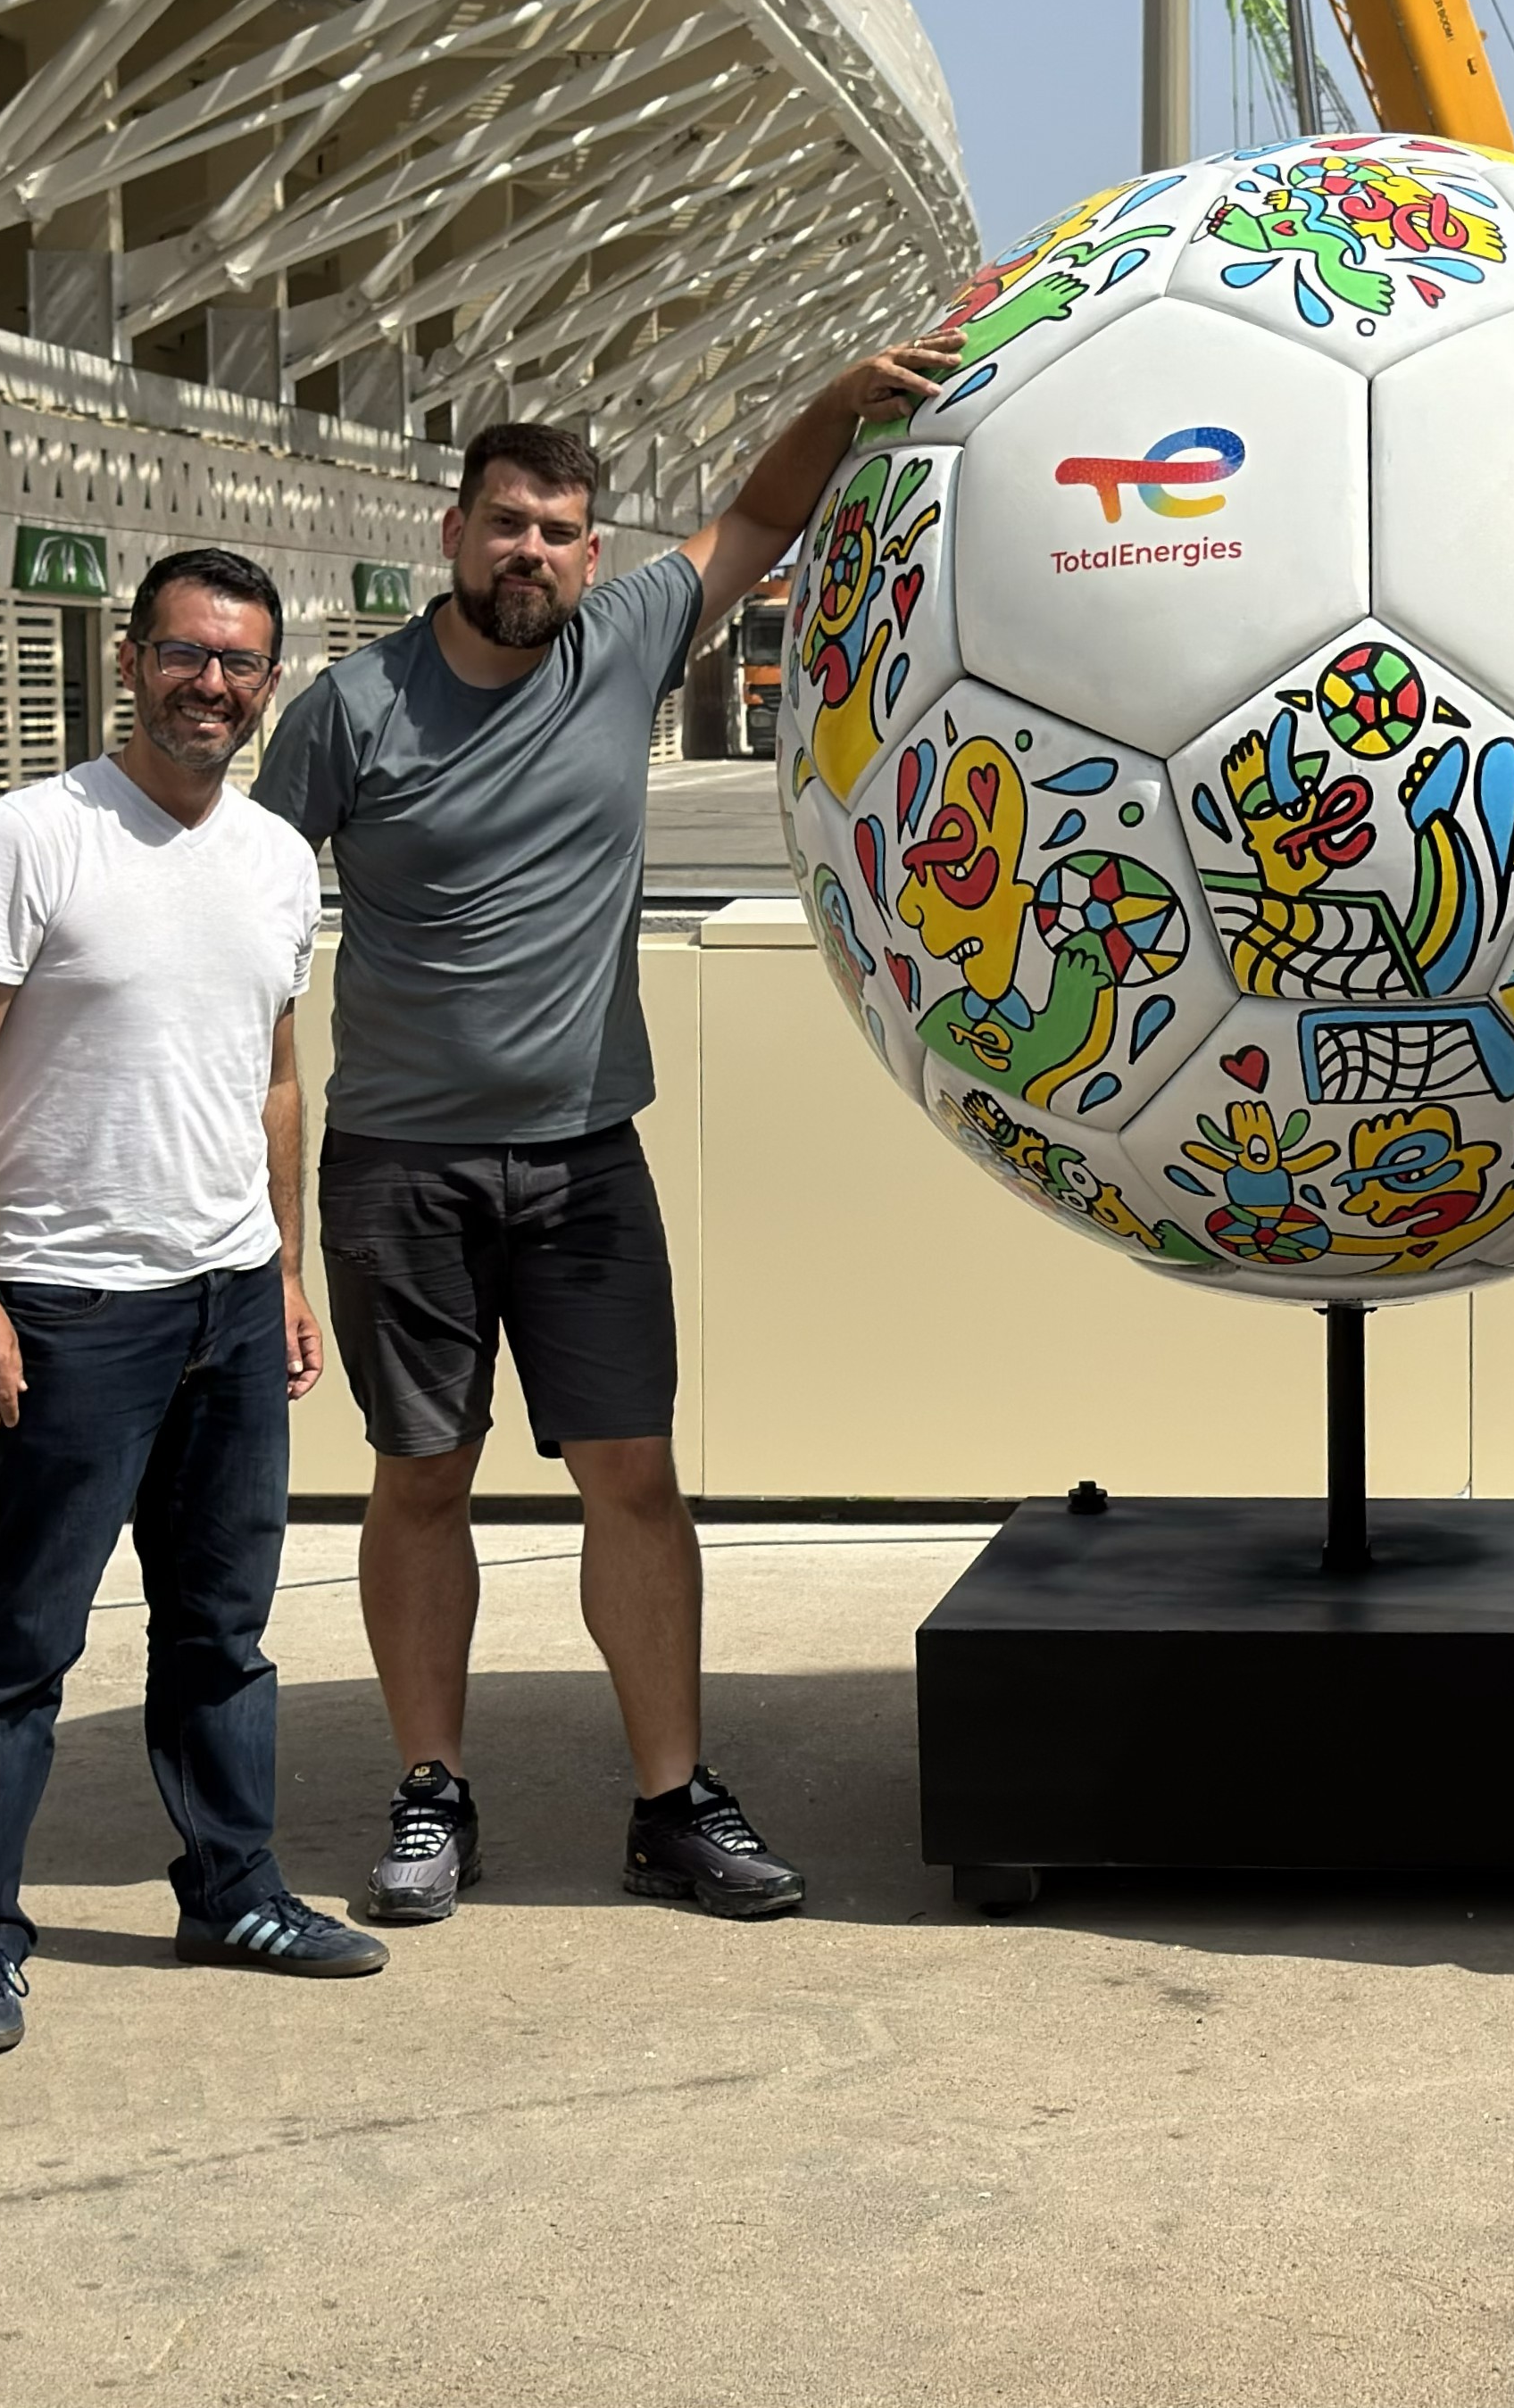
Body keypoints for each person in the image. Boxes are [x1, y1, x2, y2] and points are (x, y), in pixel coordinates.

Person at [255, 337, 957, 1927]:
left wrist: (839, 393)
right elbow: (239, 938)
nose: (535, 552)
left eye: (564, 529)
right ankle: (432, 1790)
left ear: (593, 548)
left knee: (633, 1476)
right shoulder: (349, 708)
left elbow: (760, 516)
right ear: (451, 532)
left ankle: (669, 1801)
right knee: (419, 1475)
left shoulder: (626, 641)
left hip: (584, 1158)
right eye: (507, 521)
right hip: (398, 1167)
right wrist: (268, 1222)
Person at [0, 545, 382, 2057]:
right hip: (67, 1305)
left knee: (224, 1629)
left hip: (230, 1299)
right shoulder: (31, 839)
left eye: (241, 662)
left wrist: (288, 1273)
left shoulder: (277, 857)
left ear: (268, 679)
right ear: (131, 660)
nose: (213, 685)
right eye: (187, 654)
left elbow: (277, 1075)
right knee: (23, 1644)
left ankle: (230, 1887)